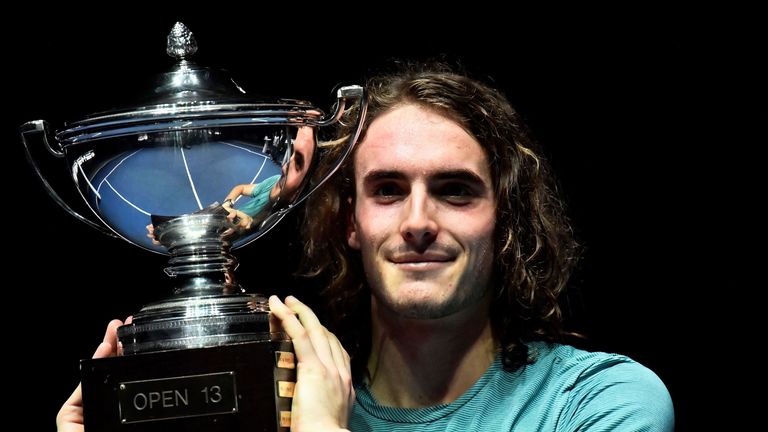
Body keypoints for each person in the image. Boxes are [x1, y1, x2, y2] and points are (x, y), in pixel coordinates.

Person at [58, 63, 674, 431]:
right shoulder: (266, 399)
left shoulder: (599, 403)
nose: (418, 222)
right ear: (348, 220)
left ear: (505, 217)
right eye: (386, 190)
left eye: (455, 191)